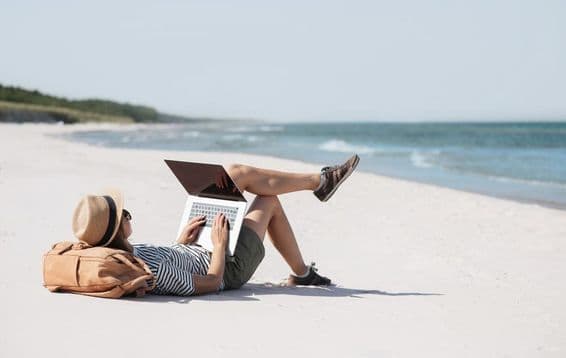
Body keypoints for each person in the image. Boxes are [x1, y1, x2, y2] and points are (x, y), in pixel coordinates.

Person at [71, 154, 359, 296]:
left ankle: (303, 270)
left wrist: (181, 241)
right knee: (268, 201)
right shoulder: (146, 271)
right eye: (125, 214)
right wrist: (220, 247)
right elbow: (210, 284)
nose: (129, 216)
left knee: (234, 174)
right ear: (116, 231)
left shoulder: (130, 251)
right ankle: (319, 185)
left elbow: (176, 259)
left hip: (202, 247)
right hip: (225, 268)